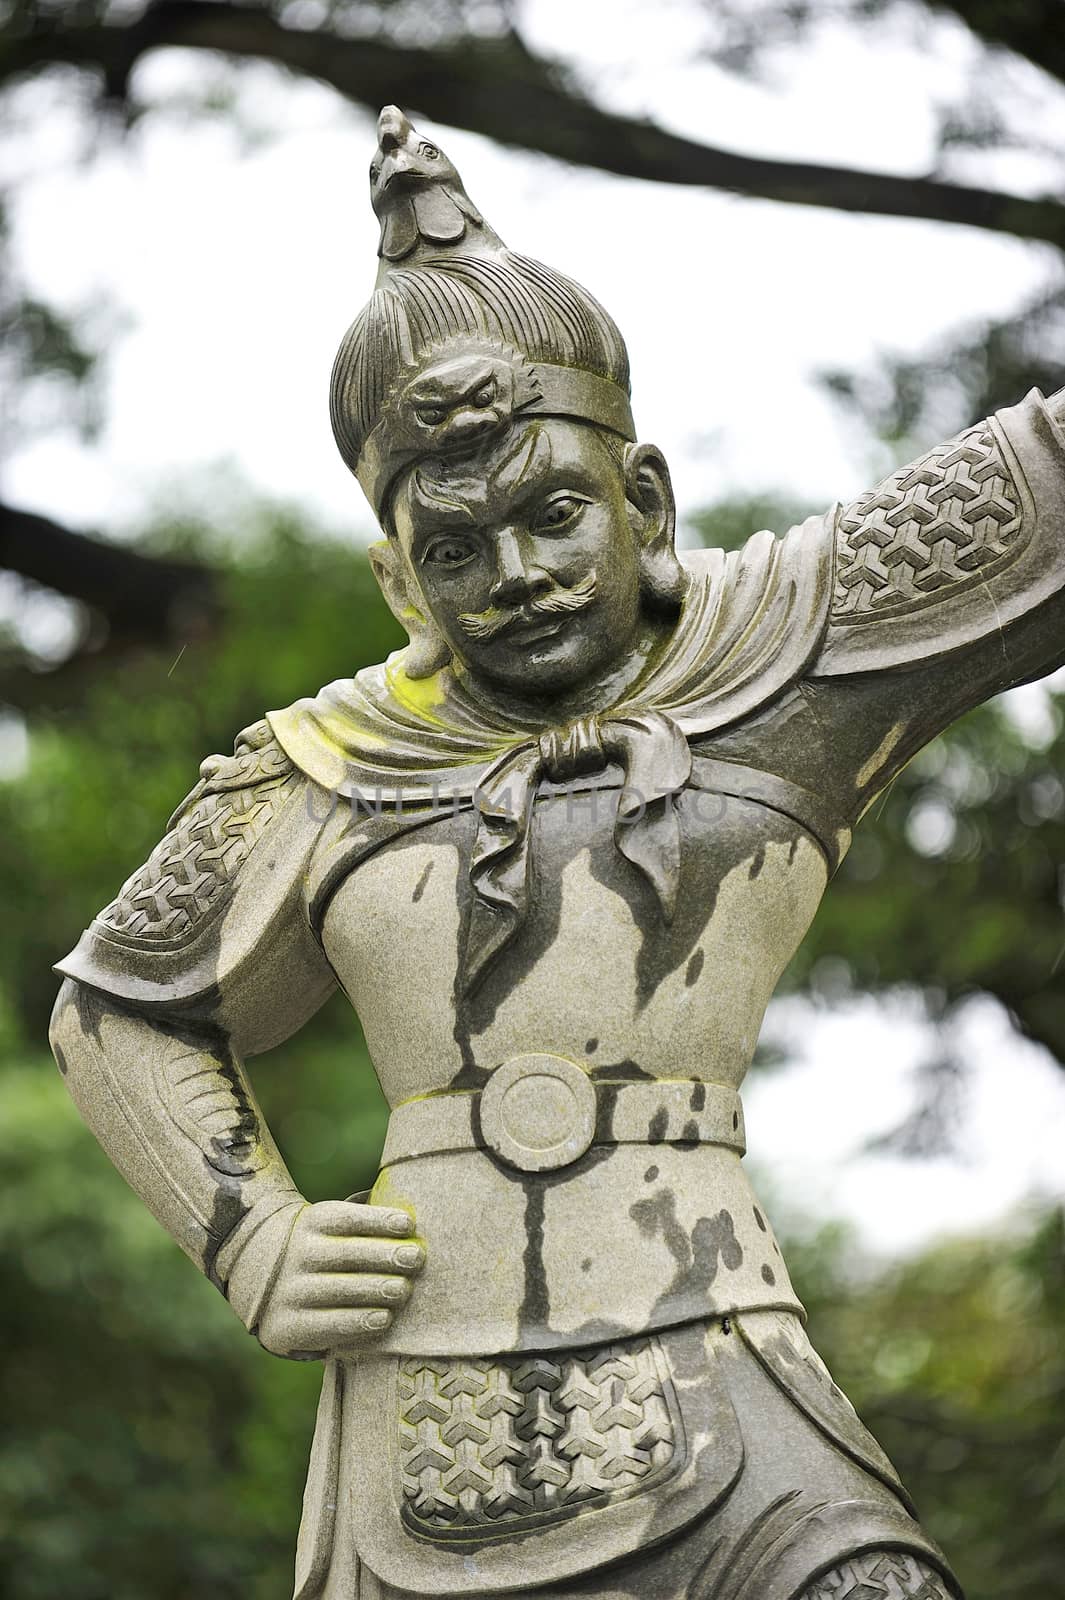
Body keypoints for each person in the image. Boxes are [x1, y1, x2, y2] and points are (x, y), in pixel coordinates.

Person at [50, 107, 1065, 1600]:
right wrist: (251, 1233)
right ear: (398, 576)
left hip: (725, 1356)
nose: (515, 578)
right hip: (430, 1411)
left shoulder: (792, 639)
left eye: (553, 518)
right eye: (456, 549)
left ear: (643, 502)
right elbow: (118, 1004)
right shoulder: (322, 766)